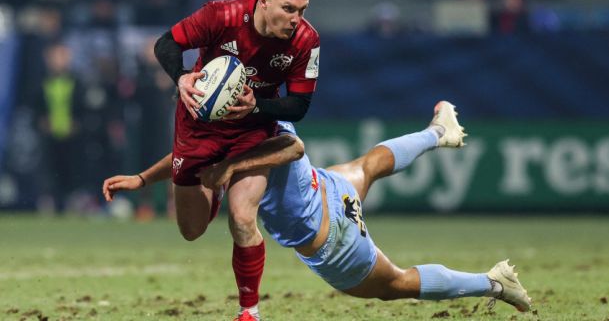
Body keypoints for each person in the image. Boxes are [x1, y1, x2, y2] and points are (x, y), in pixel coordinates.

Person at [103, 101, 532, 318]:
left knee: (396, 283)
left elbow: (280, 157)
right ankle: (438, 131)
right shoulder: (259, 111)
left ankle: (494, 283)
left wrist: (229, 169)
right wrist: (144, 178)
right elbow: (190, 157)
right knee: (367, 166)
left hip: (332, 241)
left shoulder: (259, 138)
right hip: (326, 188)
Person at [151, 0, 320, 320]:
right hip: (198, 127)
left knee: (243, 217)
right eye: (289, 9)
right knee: (191, 230)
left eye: (302, 11)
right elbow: (165, 43)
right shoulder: (220, 15)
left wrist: (258, 106)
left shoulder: (306, 41)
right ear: (263, 2)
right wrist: (181, 78)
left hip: (253, 131)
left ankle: (249, 311)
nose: (296, 20)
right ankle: (212, 190)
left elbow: (299, 106)